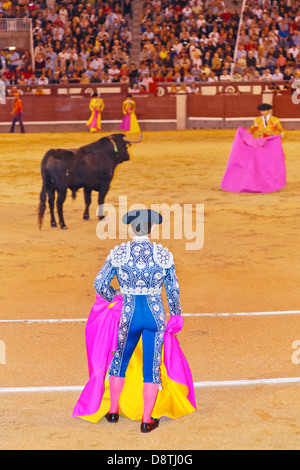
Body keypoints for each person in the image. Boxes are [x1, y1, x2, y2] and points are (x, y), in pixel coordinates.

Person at [73, 209, 196, 432]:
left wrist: (116, 297)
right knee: (151, 368)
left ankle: (112, 412)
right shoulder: (163, 255)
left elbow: (99, 283)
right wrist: (176, 314)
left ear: (132, 228)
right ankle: (147, 420)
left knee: (119, 361)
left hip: (127, 315)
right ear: (151, 228)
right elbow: (172, 289)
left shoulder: (120, 253)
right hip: (154, 315)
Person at [220, 103, 286, 193]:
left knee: (271, 162)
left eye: (264, 111)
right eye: (261, 111)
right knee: (260, 161)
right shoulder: (257, 120)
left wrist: (281, 133)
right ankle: (262, 180)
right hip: (260, 142)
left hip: (270, 142)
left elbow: (280, 129)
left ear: (269, 110)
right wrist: (244, 132)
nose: (262, 112)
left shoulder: (275, 120)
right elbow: (252, 130)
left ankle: (271, 180)